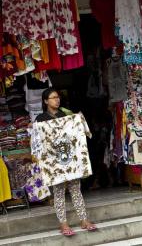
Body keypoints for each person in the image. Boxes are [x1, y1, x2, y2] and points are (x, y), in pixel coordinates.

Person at [35, 88, 97, 236]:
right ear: (45, 101)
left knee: (76, 190)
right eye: (53, 98)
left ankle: (84, 220)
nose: (57, 100)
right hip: (54, 162)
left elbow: (77, 131)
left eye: (58, 97)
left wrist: (79, 120)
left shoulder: (66, 115)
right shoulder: (40, 119)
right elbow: (37, 141)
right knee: (58, 193)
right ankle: (63, 224)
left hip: (70, 161)